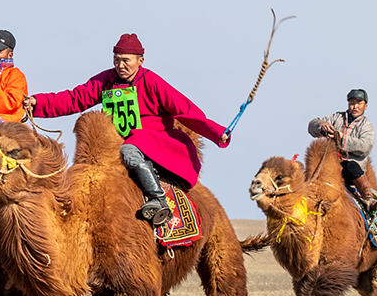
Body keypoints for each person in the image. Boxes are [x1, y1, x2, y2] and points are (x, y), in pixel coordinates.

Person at [23, 33, 228, 227]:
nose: (120, 65)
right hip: (117, 140)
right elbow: (74, 98)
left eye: (125, 60)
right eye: (116, 59)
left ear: (140, 60)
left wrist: (217, 133)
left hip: (152, 141)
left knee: (128, 151)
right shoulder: (106, 81)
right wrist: (38, 103)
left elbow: (185, 110)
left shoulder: (153, 82)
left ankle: (157, 199)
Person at [308, 89, 377, 210]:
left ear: (365, 106)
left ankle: (368, 198)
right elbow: (311, 126)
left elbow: (365, 146)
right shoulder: (337, 118)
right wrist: (321, 124)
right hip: (331, 163)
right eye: (352, 103)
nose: (355, 106)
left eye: (358, 103)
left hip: (351, 166)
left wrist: (342, 138)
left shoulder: (366, 125)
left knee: (351, 167)